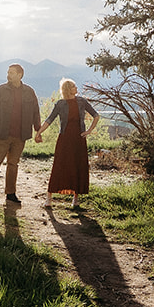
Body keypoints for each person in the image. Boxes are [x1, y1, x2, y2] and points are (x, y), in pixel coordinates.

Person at [0, 63, 41, 205]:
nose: (8, 75)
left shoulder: (29, 91)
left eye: (11, 73)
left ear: (20, 75)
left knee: (13, 164)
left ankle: (10, 193)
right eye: (8, 72)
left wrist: (38, 130)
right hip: (2, 134)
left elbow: (36, 111)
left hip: (21, 135)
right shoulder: (0, 91)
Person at [37, 78, 100, 210]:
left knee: (78, 166)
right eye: (73, 86)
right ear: (67, 89)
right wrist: (39, 132)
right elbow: (49, 120)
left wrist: (89, 131)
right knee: (59, 165)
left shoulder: (82, 101)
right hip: (64, 139)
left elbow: (96, 115)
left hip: (79, 138)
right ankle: (49, 198)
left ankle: (75, 200)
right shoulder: (60, 104)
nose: (76, 88)